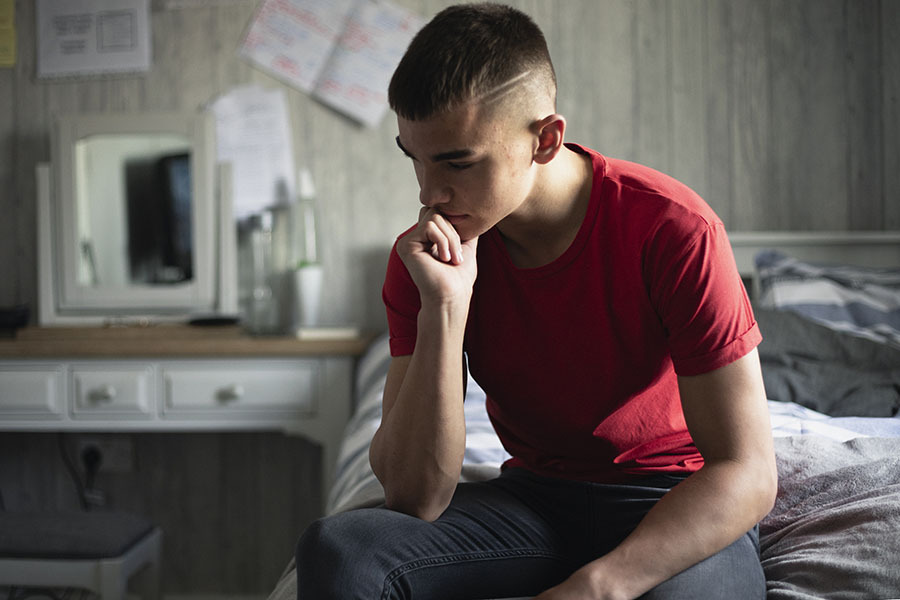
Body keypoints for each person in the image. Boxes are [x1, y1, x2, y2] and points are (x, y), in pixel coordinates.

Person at [296, 4, 777, 599]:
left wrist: (601, 585)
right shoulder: (425, 262)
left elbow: (749, 471)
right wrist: (446, 308)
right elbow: (414, 498)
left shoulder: (673, 230)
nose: (429, 193)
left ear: (545, 139)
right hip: (536, 502)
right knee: (340, 549)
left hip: (671, 501)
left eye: (457, 162)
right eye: (414, 158)